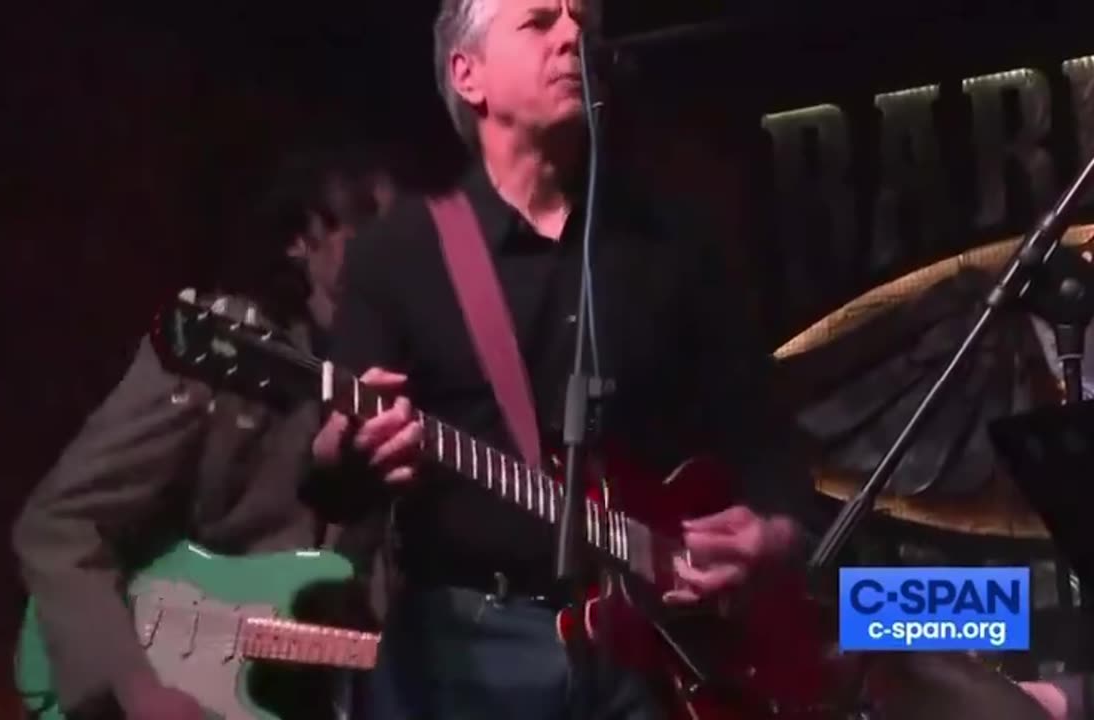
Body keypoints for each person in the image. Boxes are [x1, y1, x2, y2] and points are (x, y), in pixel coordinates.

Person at [301, 1, 817, 717]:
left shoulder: (677, 242)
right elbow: (335, 481)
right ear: (468, 74)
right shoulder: (401, 255)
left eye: (581, 18)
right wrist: (345, 454)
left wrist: (773, 533)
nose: (575, 35)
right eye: (540, 21)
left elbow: (763, 435)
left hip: (661, 648)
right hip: (471, 648)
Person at [11, 146, 390, 720]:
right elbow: (57, 525)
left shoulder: (394, 396)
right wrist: (135, 686)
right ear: (300, 239)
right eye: (366, 223)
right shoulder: (223, 351)